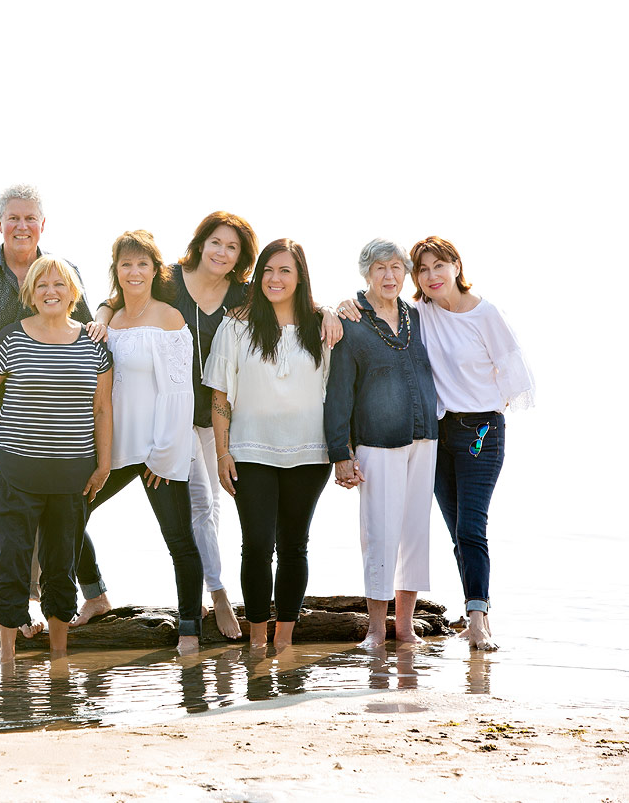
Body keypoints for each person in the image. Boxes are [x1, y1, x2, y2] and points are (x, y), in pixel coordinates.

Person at [88, 213, 343, 637]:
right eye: (216, 243)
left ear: (241, 258)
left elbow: (290, 297)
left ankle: (221, 599)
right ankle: (219, 596)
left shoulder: (243, 293)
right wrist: (99, 313)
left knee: (214, 509)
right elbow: (120, 296)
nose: (222, 253)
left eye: (232, 248)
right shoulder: (169, 279)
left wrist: (332, 308)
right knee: (201, 505)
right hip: (174, 416)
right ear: (201, 243)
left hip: (223, 419)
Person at [0, 184, 111, 649]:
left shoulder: (58, 273)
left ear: (43, 224)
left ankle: (30, 604)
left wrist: (99, 325)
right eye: (13, 218)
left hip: (50, 426)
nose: (22, 226)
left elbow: (86, 326)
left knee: (44, 517)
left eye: (30, 218)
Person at [342, 237, 533, 651]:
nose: (431, 276)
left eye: (439, 267)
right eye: (423, 269)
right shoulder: (420, 314)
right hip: (437, 435)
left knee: (470, 526)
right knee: (453, 531)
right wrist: (335, 308)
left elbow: (516, 376)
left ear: (456, 267)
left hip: (481, 432)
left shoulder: (486, 314)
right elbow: (376, 307)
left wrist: (487, 405)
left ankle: (479, 619)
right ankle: (466, 613)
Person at [0, 256, 113, 661]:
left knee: (61, 564)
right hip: (15, 470)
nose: (51, 291)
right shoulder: (11, 339)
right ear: (30, 293)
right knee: (10, 562)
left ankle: (59, 658)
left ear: (73, 293)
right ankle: (7, 657)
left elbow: (103, 409)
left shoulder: (94, 344)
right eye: (42, 285)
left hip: (73, 474)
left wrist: (104, 464)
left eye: (59, 285)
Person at [75, 229, 204, 654]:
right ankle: (95, 596)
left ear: (154, 270)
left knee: (179, 540)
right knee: (66, 514)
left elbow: (178, 392)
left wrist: (164, 455)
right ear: (117, 270)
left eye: (142, 264)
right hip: (114, 449)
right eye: (126, 264)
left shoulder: (169, 318)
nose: (134, 272)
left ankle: (189, 627)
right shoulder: (109, 320)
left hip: (156, 450)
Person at [202, 238, 331, 650]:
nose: (275, 279)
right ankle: (257, 638)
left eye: (285, 271)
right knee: (257, 545)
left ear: (300, 277)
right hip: (250, 451)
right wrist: (223, 452)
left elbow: (337, 391)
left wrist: (334, 312)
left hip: (311, 452)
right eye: (268, 271)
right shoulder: (237, 325)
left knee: (295, 545)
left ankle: (284, 640)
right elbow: (220, 396)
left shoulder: (321, 327)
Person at [324, 238, 439, 649]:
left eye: (396, 268)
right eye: (379, 269)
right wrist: (341, 453)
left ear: (405, 273)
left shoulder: (418, 316)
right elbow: (338, 393)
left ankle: (404, 627)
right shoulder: (351, 323)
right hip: (377, 442)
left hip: (424, 438)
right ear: (366, 274)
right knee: (379, 535)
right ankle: (376, 628)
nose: (389, 276)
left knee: (415, 534)